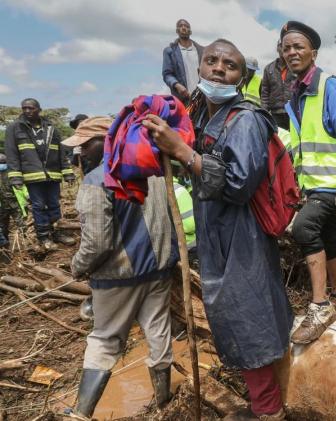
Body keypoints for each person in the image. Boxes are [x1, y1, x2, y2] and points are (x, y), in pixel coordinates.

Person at [145, 38, 292, 420]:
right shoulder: (201, 118)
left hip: (242, 238)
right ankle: (265, 403)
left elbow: (241, 184)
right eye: (211, 60)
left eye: (229, 65)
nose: (218, 69)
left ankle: (270, 410)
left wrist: (183, 152)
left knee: (249, 319)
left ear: (240, 78)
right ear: (200, 67)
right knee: (235, 316)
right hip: (217, 238)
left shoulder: (244, 119)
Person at [65, 117, 178, 418]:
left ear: (106, 140)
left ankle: (80, 413)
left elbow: (97, 243)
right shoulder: (154, 171)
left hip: (118, 276)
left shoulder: (96, 180)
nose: (81, 152)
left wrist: (77, 267)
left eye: (86, 145)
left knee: (104, 340)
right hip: (158, 270)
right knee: (158, 332)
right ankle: (164, 401)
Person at [280, 21, 336, 345]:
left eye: (298, 46)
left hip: (331, 185)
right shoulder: (297, 94)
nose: (292, 52)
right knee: (329, 235)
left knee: (304, 229)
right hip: (314, 185)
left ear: (313, 52)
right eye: (286, 48)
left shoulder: (328, 86)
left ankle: (321, 305)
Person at [4, 98, 76, 249]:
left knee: (54, 204)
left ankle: (57, 232)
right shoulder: (14, 128)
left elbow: (61, 152)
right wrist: (15, 176)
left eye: (31, 108)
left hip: (53, 175)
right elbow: (11, 154)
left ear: (39, 109)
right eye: (24, 108)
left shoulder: (50, 128)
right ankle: (43, 237)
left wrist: (68, 172)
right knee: (39, 206)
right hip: (32, 176)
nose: (27, 111)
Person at [162, 19, 204, 103]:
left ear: (190, 31)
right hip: (183, 98)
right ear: (177, 31)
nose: (184, 28)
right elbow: (167, 74)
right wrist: (177, 85)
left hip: (202, 97)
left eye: (186, 26)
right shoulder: (170, 51)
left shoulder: (201, 50)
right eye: (181, 26)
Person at [261, 41, 296, 130]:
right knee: (278, 140)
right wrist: (264, 112)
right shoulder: (269, 68)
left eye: (286, 46)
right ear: (277, 48)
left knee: (295, 141)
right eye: (281, 46)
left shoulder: (296, 66)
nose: (283, 48)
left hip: (294, 112)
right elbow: (265, 92)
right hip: (275, 113)